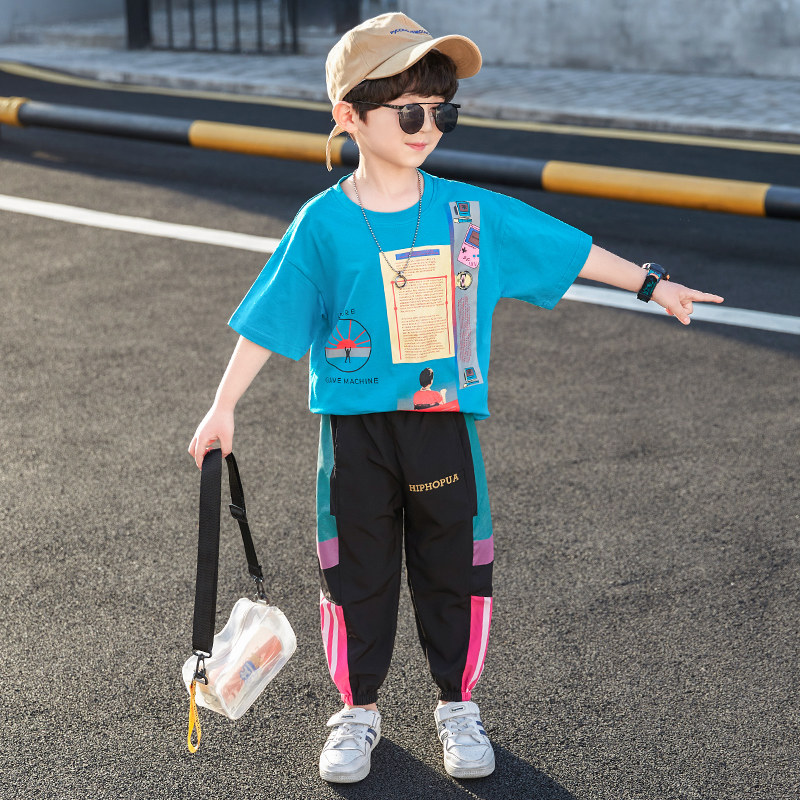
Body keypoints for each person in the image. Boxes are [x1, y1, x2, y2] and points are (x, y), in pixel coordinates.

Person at [188, 12, 723, 785]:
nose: (428, 128)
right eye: (410, 112)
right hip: (354, 434)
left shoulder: (467, 212)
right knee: (354, 571)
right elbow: (269, 319)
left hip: (443, 428)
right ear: (349, 116)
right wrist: (223, 406)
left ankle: (457, 705)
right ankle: (358, 710)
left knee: (455, 567)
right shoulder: (323, 225)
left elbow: (564, 245)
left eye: (443, 112)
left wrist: (651, 284)